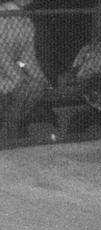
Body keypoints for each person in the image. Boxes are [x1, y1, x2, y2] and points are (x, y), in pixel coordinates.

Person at [0, 0, 48, 142]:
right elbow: (1, 53)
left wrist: (41, 79)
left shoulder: (25, 19)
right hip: (6, 73)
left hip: (7, 73)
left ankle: (12, 126)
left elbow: (27, 56)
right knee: (20, 87)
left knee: (37, 86)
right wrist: (17, 77)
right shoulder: (3, 14)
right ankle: (13, 136)